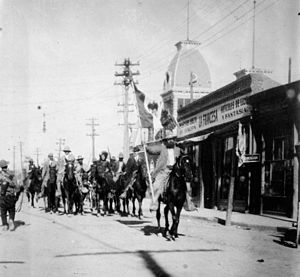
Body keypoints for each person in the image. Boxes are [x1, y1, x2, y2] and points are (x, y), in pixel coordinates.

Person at [146, 136, 196, 212]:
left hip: (176, 171)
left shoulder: (178, 150)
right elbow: (152, 150)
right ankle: (154, 203)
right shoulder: (162, 149)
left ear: (174, 140)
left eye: (172, 139)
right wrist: (146, 147)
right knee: (157, 185)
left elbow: (184, 158)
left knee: (187, 187)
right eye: (169, 139)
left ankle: (189, 203)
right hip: (164, 170)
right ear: (166, 141)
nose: (171, 141)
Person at [0, 160, 23, 231]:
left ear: (1, 167)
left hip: (2, 196)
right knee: (11, 210)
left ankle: (4, 224)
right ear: (7, 166)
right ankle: (11, 220)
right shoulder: (12, 175)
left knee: (3, 211)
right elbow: (17, 187)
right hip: (11, 196)